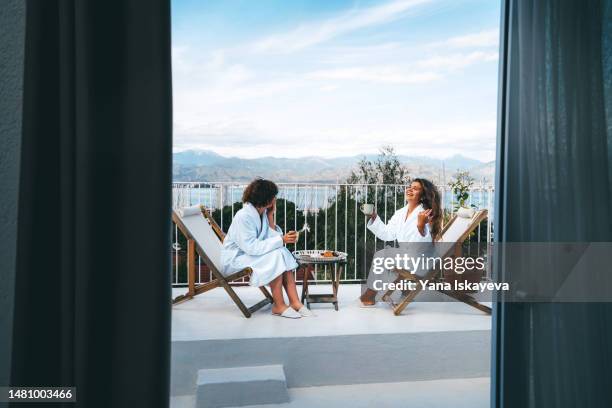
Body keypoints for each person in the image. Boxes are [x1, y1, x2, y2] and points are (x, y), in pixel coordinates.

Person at [221, 178, 312, 318]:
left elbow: (270, 237)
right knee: (275, 255)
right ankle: (279, 306)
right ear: (265, 198)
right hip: (236, 259)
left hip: (249, 254)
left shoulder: (262, 213)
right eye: (273, 196)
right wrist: (281, 239)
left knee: (281, 251)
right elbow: (251, 247)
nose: (275, 199)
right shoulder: (243, 216)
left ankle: (295, 302)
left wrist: (270, 215)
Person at [360, 178, 442, 306]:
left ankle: (370, 295)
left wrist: (421, 226)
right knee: (384, 255)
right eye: (410, 186)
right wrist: (374, 217)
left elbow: (425, 245)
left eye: (415, 188)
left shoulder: (426, 213)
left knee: (381, 256)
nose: (410, 189)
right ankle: (404, 290)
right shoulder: (400, 213)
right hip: (407, 257)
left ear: (422, 195)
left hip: (421, 260)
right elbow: (388, 234)